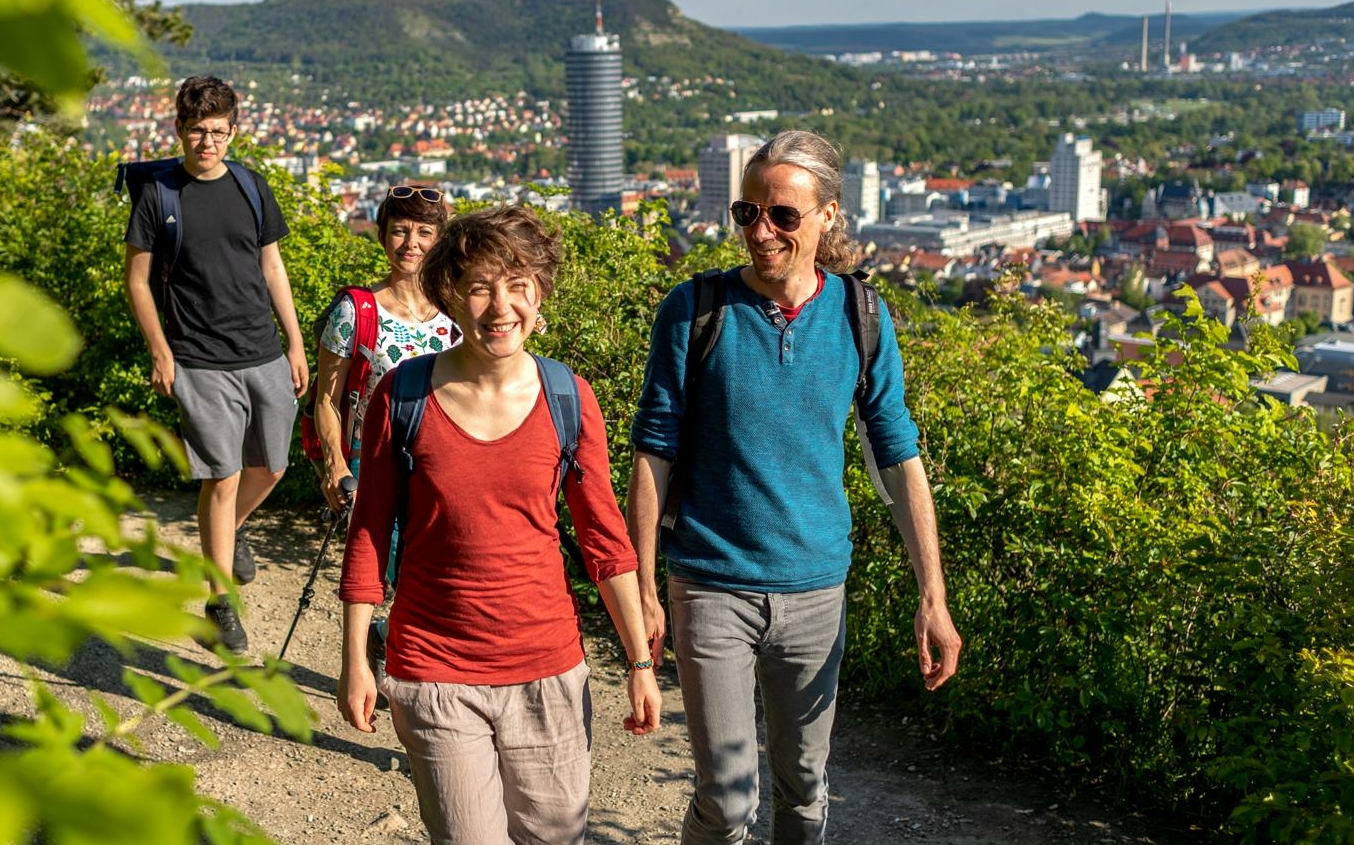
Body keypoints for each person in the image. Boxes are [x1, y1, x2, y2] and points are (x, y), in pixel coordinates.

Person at [627, 130, 964, 845]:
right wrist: (646, 587)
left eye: (782, 215)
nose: (762, 230)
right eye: (747, 213)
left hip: (816, 591)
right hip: (711, 582)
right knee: (726, 797)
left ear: (828, 216)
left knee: (806, 791)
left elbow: (898, 456)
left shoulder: (860, 317)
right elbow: (652, 450)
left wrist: (932, 593)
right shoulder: (694, 311)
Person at [338, 206, 660, 845]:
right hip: (434, 670)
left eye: (518, 285)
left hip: (549, 673)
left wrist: (640, 661)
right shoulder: (402, 396)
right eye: (480, 287)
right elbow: (370, 532)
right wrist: (355, 659)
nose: (500, 306)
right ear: (450, 297)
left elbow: (605, 542)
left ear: (539, 295)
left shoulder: (570, 397)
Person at [122, 75, 309, 654]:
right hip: (198, 360)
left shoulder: (251, 186)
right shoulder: (160, 195)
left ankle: (227, 533)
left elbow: (272, 268)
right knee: (221, 478)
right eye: (199, 131)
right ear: (180, 129)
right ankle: (219, 603)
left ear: (233, 132)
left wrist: (296, 342)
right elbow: (137, 279)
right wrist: (161, 350)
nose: (209, 142)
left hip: (262, 350)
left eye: (219, 132)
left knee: (272, 467)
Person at [311, 185, 457, 508]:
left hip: (444, 467)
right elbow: (326, 400)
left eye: (424, 232)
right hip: (374, 466)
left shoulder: (457, 315)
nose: (411, 244)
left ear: (438, 241)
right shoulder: (355, 312)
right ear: (381, 237)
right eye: (400, 231)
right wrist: (335, 463)